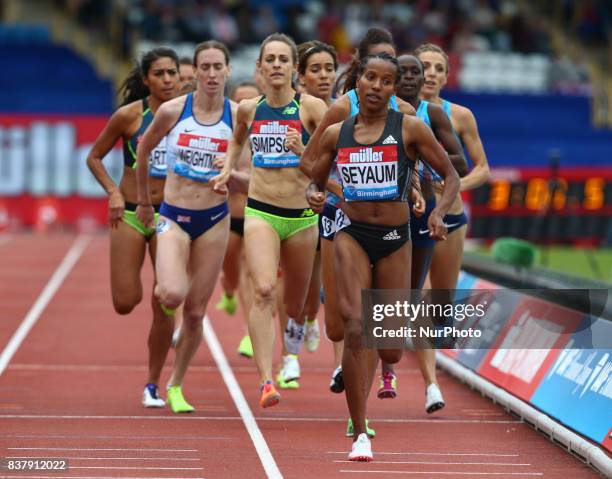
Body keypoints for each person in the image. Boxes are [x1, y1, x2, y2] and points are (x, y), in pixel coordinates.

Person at [308, 52, 459, 461]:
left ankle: (380, 377)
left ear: (395, 89)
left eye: (385, 81)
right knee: (357, 327)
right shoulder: (336, 132)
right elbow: (312, 174)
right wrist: (317, 194)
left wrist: (440, 212)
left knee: (389, 346)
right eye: (369, 78)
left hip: (396, 238)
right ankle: (360, 431)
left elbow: (451, 175)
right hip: (351, 234)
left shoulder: (409, 128)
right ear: (357, 83)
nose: (375, 86)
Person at [300, 28, 419, 434]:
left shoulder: (404, 112)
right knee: (340, 325)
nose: (384, 77)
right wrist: (334, 189)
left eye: (392, 69)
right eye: (376, 66)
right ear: (360, 68)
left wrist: (415, 193)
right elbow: (309, 163)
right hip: (341, 218)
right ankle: (350, 378)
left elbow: (410, 162)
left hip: (387, 226)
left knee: (368, 325)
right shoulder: (338, 111)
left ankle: (359, 411)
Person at [212, 33, 328, 408]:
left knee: (292, 304)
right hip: (261, 210)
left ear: (295, 68)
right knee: (263, 290)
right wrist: (227, 170)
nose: (277, 65)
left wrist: (304, 153)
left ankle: (295, 337)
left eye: (283, 59)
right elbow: (235, 141)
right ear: (259, 68)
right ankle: (265, 380)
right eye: (270, 60)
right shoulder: (248, 109)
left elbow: (332, 157)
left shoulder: (311, 109)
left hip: (302, 217)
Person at [136, 40, 246, 413]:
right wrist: (145, 203)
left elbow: (251, 178)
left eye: (218, 67)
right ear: (195, 72)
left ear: (228, 71)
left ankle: (176, 385)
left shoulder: (237, 118)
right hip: (173, 215)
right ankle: (168, 314)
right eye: (205, 67)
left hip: (214, 220)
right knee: (170, 294)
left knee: (197, 312)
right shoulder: (172, 111)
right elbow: (143, 150)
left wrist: (231, 176)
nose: (212, 74)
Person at [86, 47, 180, 408]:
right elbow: (93, 156)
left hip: (169, 214)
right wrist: (112, 191)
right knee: (126, 302)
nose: (168, 80)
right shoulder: (129, 117)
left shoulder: (186, 117)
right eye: (160, 73)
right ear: (146, 79)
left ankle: (153, 384)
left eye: (172, 73)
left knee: (165, 301)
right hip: (128, 212)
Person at [380, 53, 467, 413]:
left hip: (421, 215)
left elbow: (458, 165)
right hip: (382, 216)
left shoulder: (434, 115)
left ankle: (424, 380)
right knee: (385, 295)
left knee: (413, 297)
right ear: (395, 78)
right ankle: (384, 371)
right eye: (407, 72)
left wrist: (426, 164)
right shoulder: (377, 111)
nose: (414, 77)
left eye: (419, 72)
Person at [414, 43, 490, 408]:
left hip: (449, 216)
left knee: (441, 307)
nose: (430, 73)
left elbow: (482, 168)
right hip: (410, 215)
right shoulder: (397, 113)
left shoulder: (459, 115)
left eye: (437, 68)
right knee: (418, 300)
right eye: (423, 66)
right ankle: (431, 385)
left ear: (446, 76)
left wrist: (452, 184)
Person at [272, 40, 339, 391]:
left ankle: (310, 324)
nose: (324, 75)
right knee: (293, 292)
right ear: (301, 76)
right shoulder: (291, 111)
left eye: (329, 68)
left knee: (315, 299)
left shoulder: (348, 111)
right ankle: (289, 356)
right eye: (316, 69)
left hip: (336, 208)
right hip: (299, 210)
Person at [216, 81, 262, 359]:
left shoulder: (264, 138)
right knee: (231, 271)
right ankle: (228, 292)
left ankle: (249, 332)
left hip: (255, 217)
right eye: (239, 102)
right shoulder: (227, 138)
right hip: (228, 217)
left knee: (250, 274)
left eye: (251, 101)